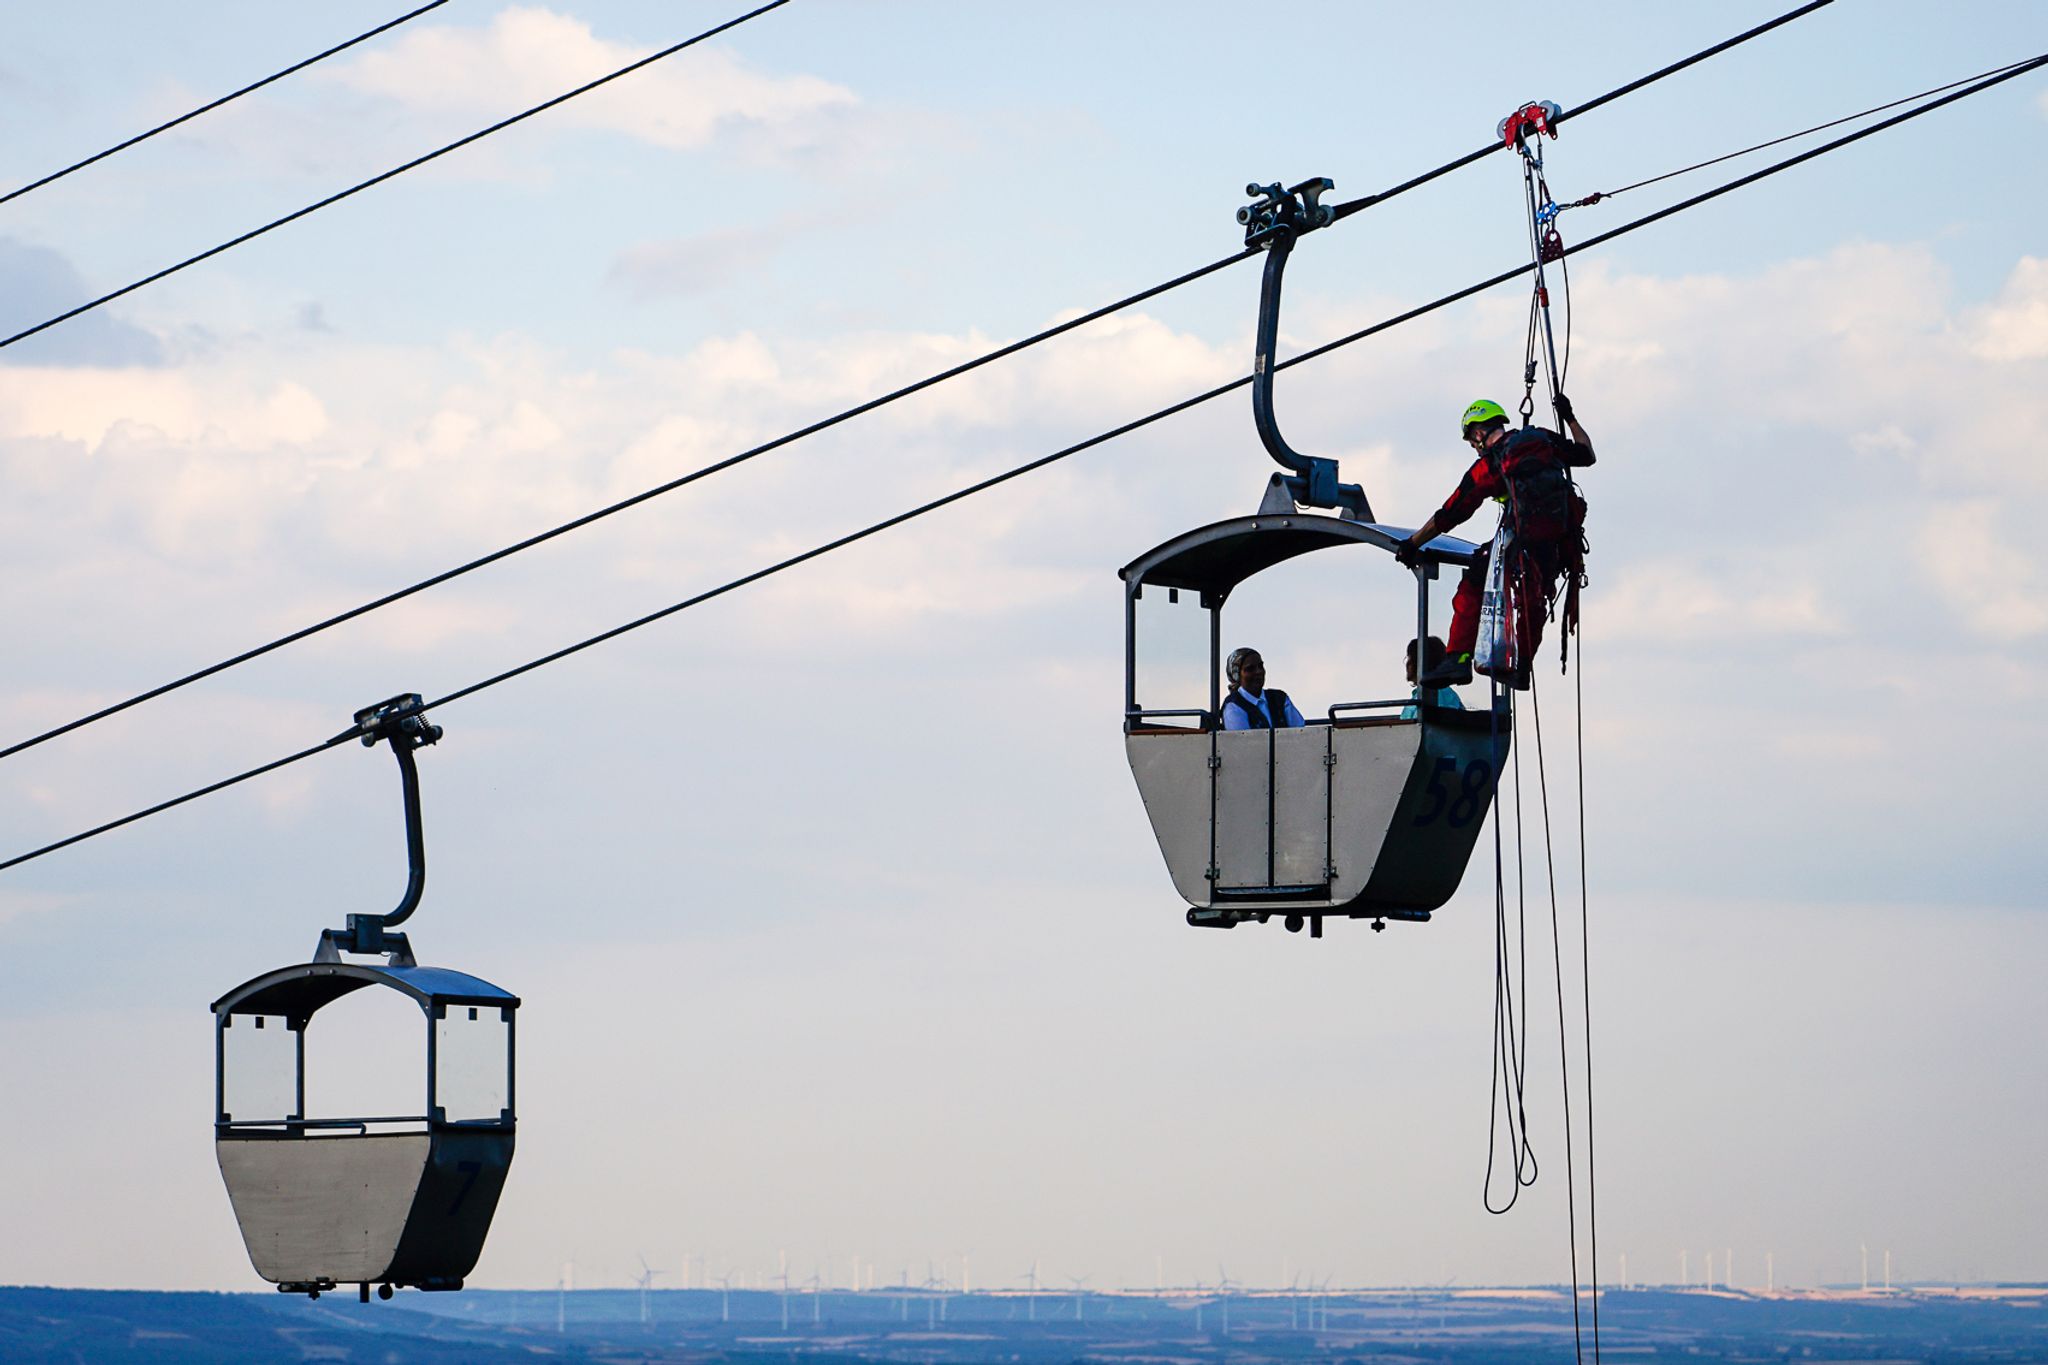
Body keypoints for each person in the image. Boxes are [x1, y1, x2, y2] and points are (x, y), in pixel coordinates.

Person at [1399, 394, 1593, 688]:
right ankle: (1523, 669)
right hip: (1554, 547)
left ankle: (1458, 660)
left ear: (1478, 433)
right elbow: (1587, 454)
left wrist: (1413, 543)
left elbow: (1450, 513)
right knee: (1533, 603)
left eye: (1471, 441)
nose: (1473, 448)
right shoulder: (1543, 441)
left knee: (1474, 580)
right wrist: (1569, 415)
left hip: (1518, 543)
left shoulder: (1490, 465)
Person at [1218, 647, 1305, 730]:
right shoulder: (1233, 706)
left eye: (1260, 666)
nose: (1258, 672)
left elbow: (1301, 733)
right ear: (1237, 676)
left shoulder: (1280, 698)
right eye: (1250, 669)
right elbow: (1243, 741)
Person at [1401, 635, 1467, 720]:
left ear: (1420, 662)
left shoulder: (1434, 695)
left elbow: (1433, 727)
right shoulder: (1424, 694)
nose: (1407, 663)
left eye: (1410, 657)